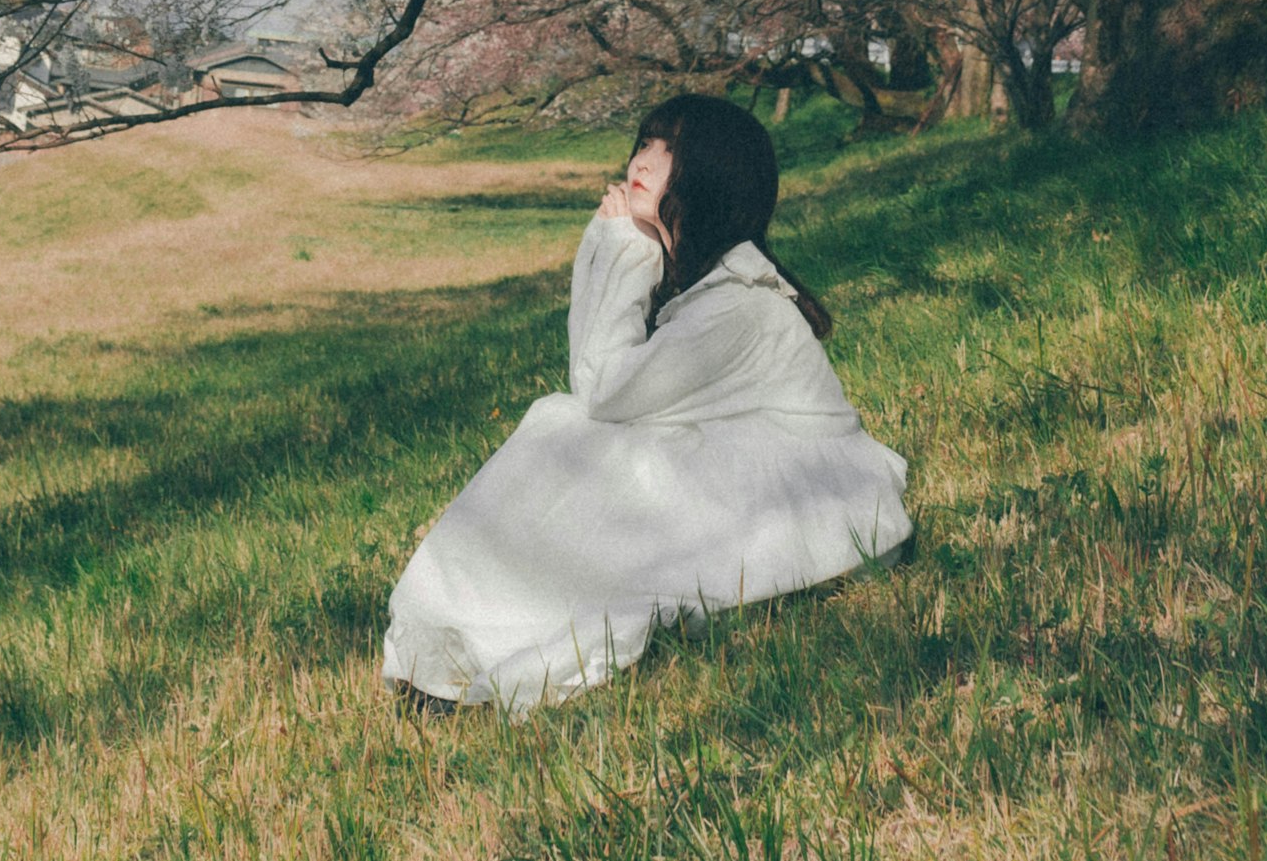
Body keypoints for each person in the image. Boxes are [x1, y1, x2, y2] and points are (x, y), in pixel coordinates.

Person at [381, 93, 913, 710]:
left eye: (670, 151)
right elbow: (607, 392)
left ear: (709, 178)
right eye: (645, 143)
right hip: (755, 472)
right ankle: (458, 636)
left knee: (566, 430)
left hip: (802, 494)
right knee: (567, 431)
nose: (645, 160)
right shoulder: (716, 293)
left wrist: (622, 248)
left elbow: (602, 391)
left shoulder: (738, 306)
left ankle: (486, 634)